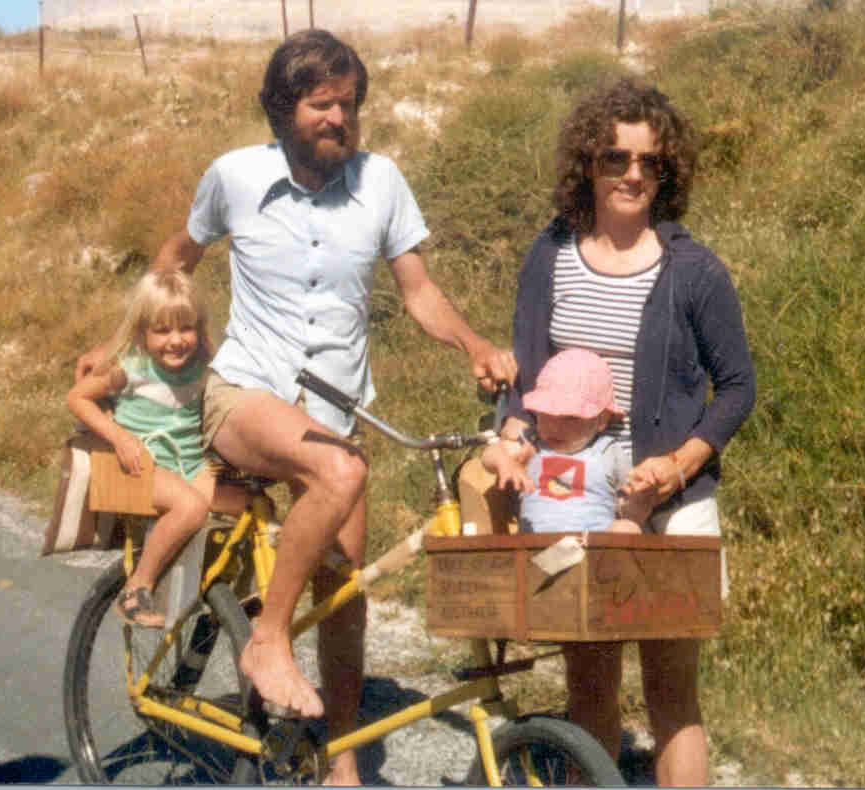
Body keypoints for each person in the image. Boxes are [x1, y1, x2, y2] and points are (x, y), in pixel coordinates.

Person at [76, 29, 516, 786]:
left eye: (347, 105)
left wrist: (471, 344)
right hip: (245, 394)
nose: (337, 119)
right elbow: (177, 257)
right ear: (282, 111)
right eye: (320, 104)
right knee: (338, 473)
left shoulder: (381, 182)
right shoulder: (234, 178)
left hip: (337, 412)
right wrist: (123, 344)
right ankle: (266, 640)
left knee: (346, 599)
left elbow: (417, 289)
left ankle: (338, 761)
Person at [503, 76, 756, 786]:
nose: (632, 174)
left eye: (650, 161)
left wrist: (677, 465)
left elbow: (737, 389)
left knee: (671, 696)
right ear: (588, 163)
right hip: (574, 506)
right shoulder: (550, 254)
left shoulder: (694, 272)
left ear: (666, 171)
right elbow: (525, 379)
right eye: (615, 158)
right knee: (588, 690)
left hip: (673, 506)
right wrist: (509, 442)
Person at [67, 270, 217, 628]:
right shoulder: (133, 367)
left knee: (241, 502)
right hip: (142, 465)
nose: (176, 341)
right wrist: (119, 437)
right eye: (162, 331)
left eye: (186, 329)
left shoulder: (203, 365)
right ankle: (137, 587)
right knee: (191, 507)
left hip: (191, 463)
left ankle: (222, 597)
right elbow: (78, 398)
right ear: (142, 332)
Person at [481, 348, 646, 534]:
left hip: (596, 547)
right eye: (546, 414)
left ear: (601, 419)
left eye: (569, 418)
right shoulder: (532, 442)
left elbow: (630, 494)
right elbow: (489, 455)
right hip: (535, 545)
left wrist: (637, 498)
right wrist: (505, 462)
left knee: (627, 529)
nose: (554, 426)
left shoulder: (608, 451)